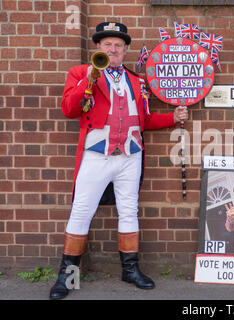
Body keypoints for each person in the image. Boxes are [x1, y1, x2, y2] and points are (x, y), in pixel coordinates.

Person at [49, 22, 188, 300]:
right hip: (96, 154)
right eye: (107, 45)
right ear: (98, 47)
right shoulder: (79, 73)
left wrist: (173, 118)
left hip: (130, 155)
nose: (113, 49)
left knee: (128, 210)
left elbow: (144, 119)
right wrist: (88, 80)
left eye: (118, 45)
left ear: (125, 50)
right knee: (81, 212)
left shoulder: (136, 80)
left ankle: (130, 270)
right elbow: (68, 109)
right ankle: (69, 277)